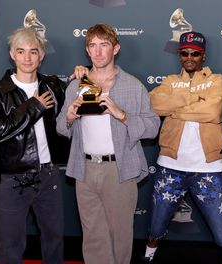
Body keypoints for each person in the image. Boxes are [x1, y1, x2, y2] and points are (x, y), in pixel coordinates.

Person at [56, 23, 160, 264]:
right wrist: (70, 116)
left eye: (104, 45)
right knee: (92, 236)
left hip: (118, 170)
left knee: (120, 235)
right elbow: (61, 128)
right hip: (84, 169)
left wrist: (121, 114)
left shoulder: (133, 86)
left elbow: (153, 127)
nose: (98, 51)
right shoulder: (76, 86)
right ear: (87, 51)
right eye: (92, 46)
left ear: (116, 48)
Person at [0, 27, 77, 264]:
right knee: (10, 243)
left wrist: (83, 75)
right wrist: (32, 106)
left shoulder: (53, 85)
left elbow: (75, 104)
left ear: (41, 55)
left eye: (33, 52)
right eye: (21, 51)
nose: (27, 58)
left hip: (48, 174)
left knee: (54, 239)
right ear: (12, 54)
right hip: (15, 179)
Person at [142, 31, 222, 263]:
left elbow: (213, 112)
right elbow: (153, 104)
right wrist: (192, 97)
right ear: (180, 55)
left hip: (208, 168)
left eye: (195, 53)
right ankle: (147, 257)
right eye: (185, 53)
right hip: (170, 167)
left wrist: (175, 104)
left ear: (203, 56)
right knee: (155, 227)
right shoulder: (170, 81)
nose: (189, 57)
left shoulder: (217, 80)